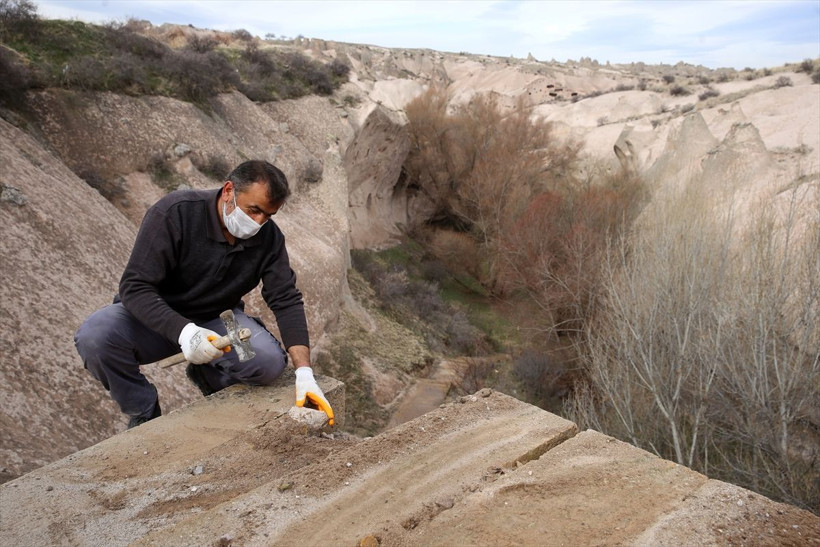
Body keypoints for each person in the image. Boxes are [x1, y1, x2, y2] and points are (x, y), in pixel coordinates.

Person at [75, 160, 334, 428]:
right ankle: (143, 410)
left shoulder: (268, 239)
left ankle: (208, 373)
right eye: (254, 210)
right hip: (154, 318)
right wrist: (186, 333)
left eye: (268, 216)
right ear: (228, 191)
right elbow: (135, 286)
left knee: (267, 363)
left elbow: (286, 299)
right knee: (95, 337)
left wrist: (304, 373)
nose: (258, 223)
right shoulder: (175, 213)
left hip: (219, 322)